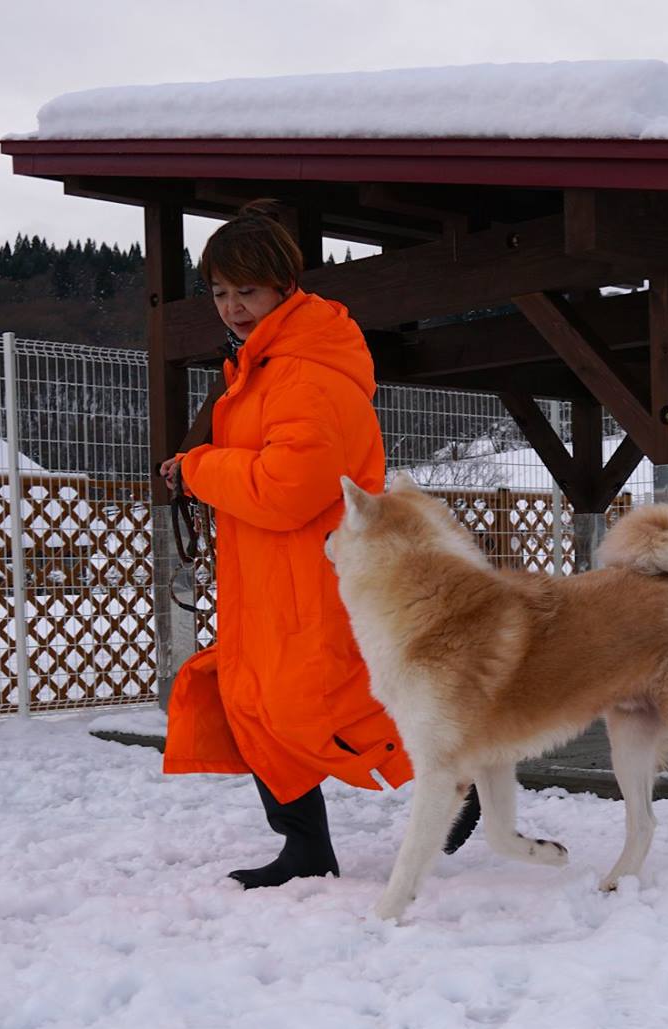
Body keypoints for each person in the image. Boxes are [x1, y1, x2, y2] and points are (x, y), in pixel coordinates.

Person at [159, 202, 475, 887]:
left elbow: (288, 488)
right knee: (253, 706)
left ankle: (454, 776)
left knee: (331, 703)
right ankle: (304, 847)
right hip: (265, 573)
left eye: (248, 291)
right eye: (220, 292)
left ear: (282, 286)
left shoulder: (307, 369)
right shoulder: (261, 366)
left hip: (318, 572)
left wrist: (196, 468)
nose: (233, 308)